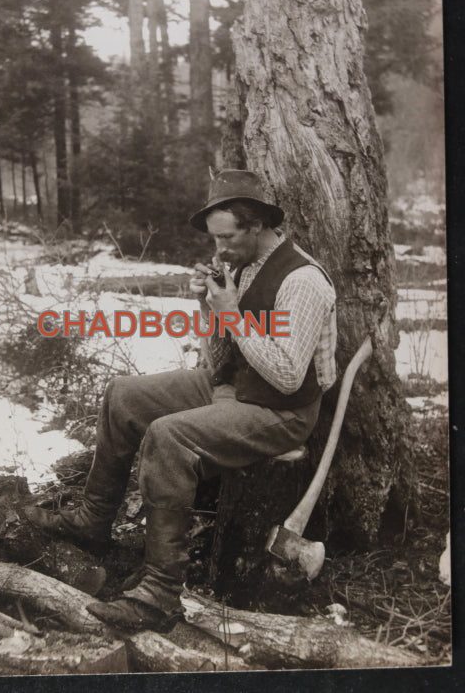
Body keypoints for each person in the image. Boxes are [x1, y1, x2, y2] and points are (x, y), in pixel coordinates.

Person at [25, 169, 337, 632]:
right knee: (123, 395)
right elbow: (220, 355)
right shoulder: (243, 263)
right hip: (238, 385)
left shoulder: (302, 280)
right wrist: (208, 308)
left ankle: (160, 592)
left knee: (168, 435)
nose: (219, 250)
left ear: (257, 226)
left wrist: (231, 313)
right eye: (214, 240)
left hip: (281, 412)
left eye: (227, 238)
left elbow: (289, 378)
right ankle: (92, 520)